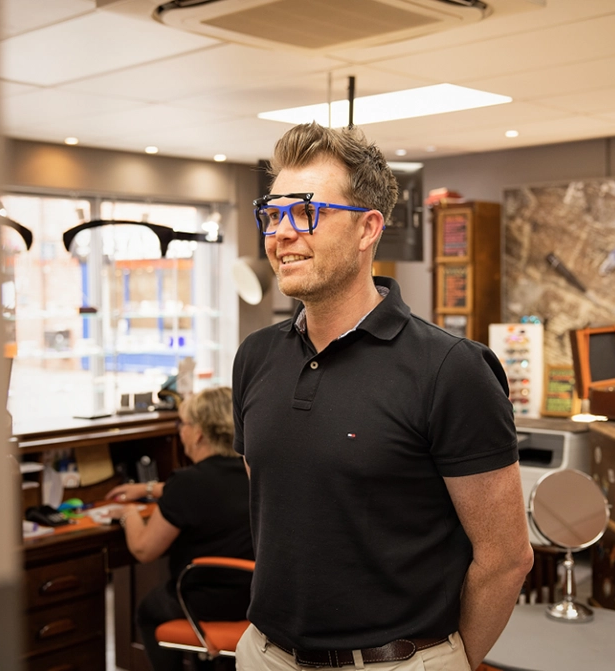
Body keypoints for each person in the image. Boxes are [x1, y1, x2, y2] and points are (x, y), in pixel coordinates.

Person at [232, 123, 534, 671]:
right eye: (273, 215)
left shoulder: (451, 368)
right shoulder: (255, 356)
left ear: (367, 228)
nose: (282, 233)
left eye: (305, 212)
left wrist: (450, 662)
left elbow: (506, 557)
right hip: (265, 654)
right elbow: (274, 508)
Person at [106, 386, 253, 671]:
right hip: (253, 596)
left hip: (205, 600)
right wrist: (149, 488)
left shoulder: (188, 483)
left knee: (149, 610)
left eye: (182, 424)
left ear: (198, 433)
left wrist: (128, 515)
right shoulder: (252, 471)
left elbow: (144, 550)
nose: (180, 431)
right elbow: (210, 489)